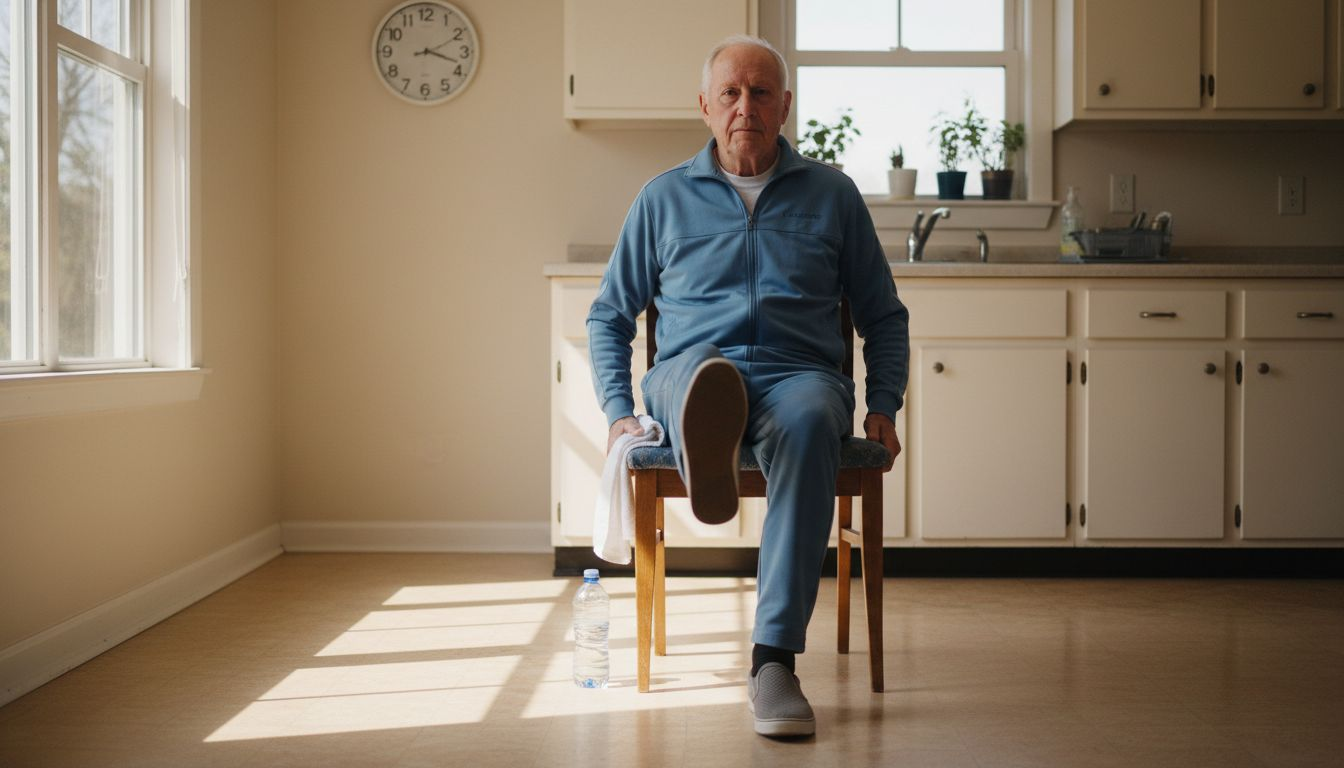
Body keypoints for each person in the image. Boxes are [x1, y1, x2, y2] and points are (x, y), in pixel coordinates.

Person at [586, 34, 909, 738]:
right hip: (689, 371)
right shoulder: (662, 198)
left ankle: (773, 662)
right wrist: (617, 412)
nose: (745, 107)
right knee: (702, 372)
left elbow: (883, 314)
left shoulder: (833, 196)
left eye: (761, 93)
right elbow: (609, 315)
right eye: (730, 93)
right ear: (705, 105)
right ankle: (706, 421)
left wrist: (883, 402)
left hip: (800, 376)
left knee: (811, 418)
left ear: (784, 106)